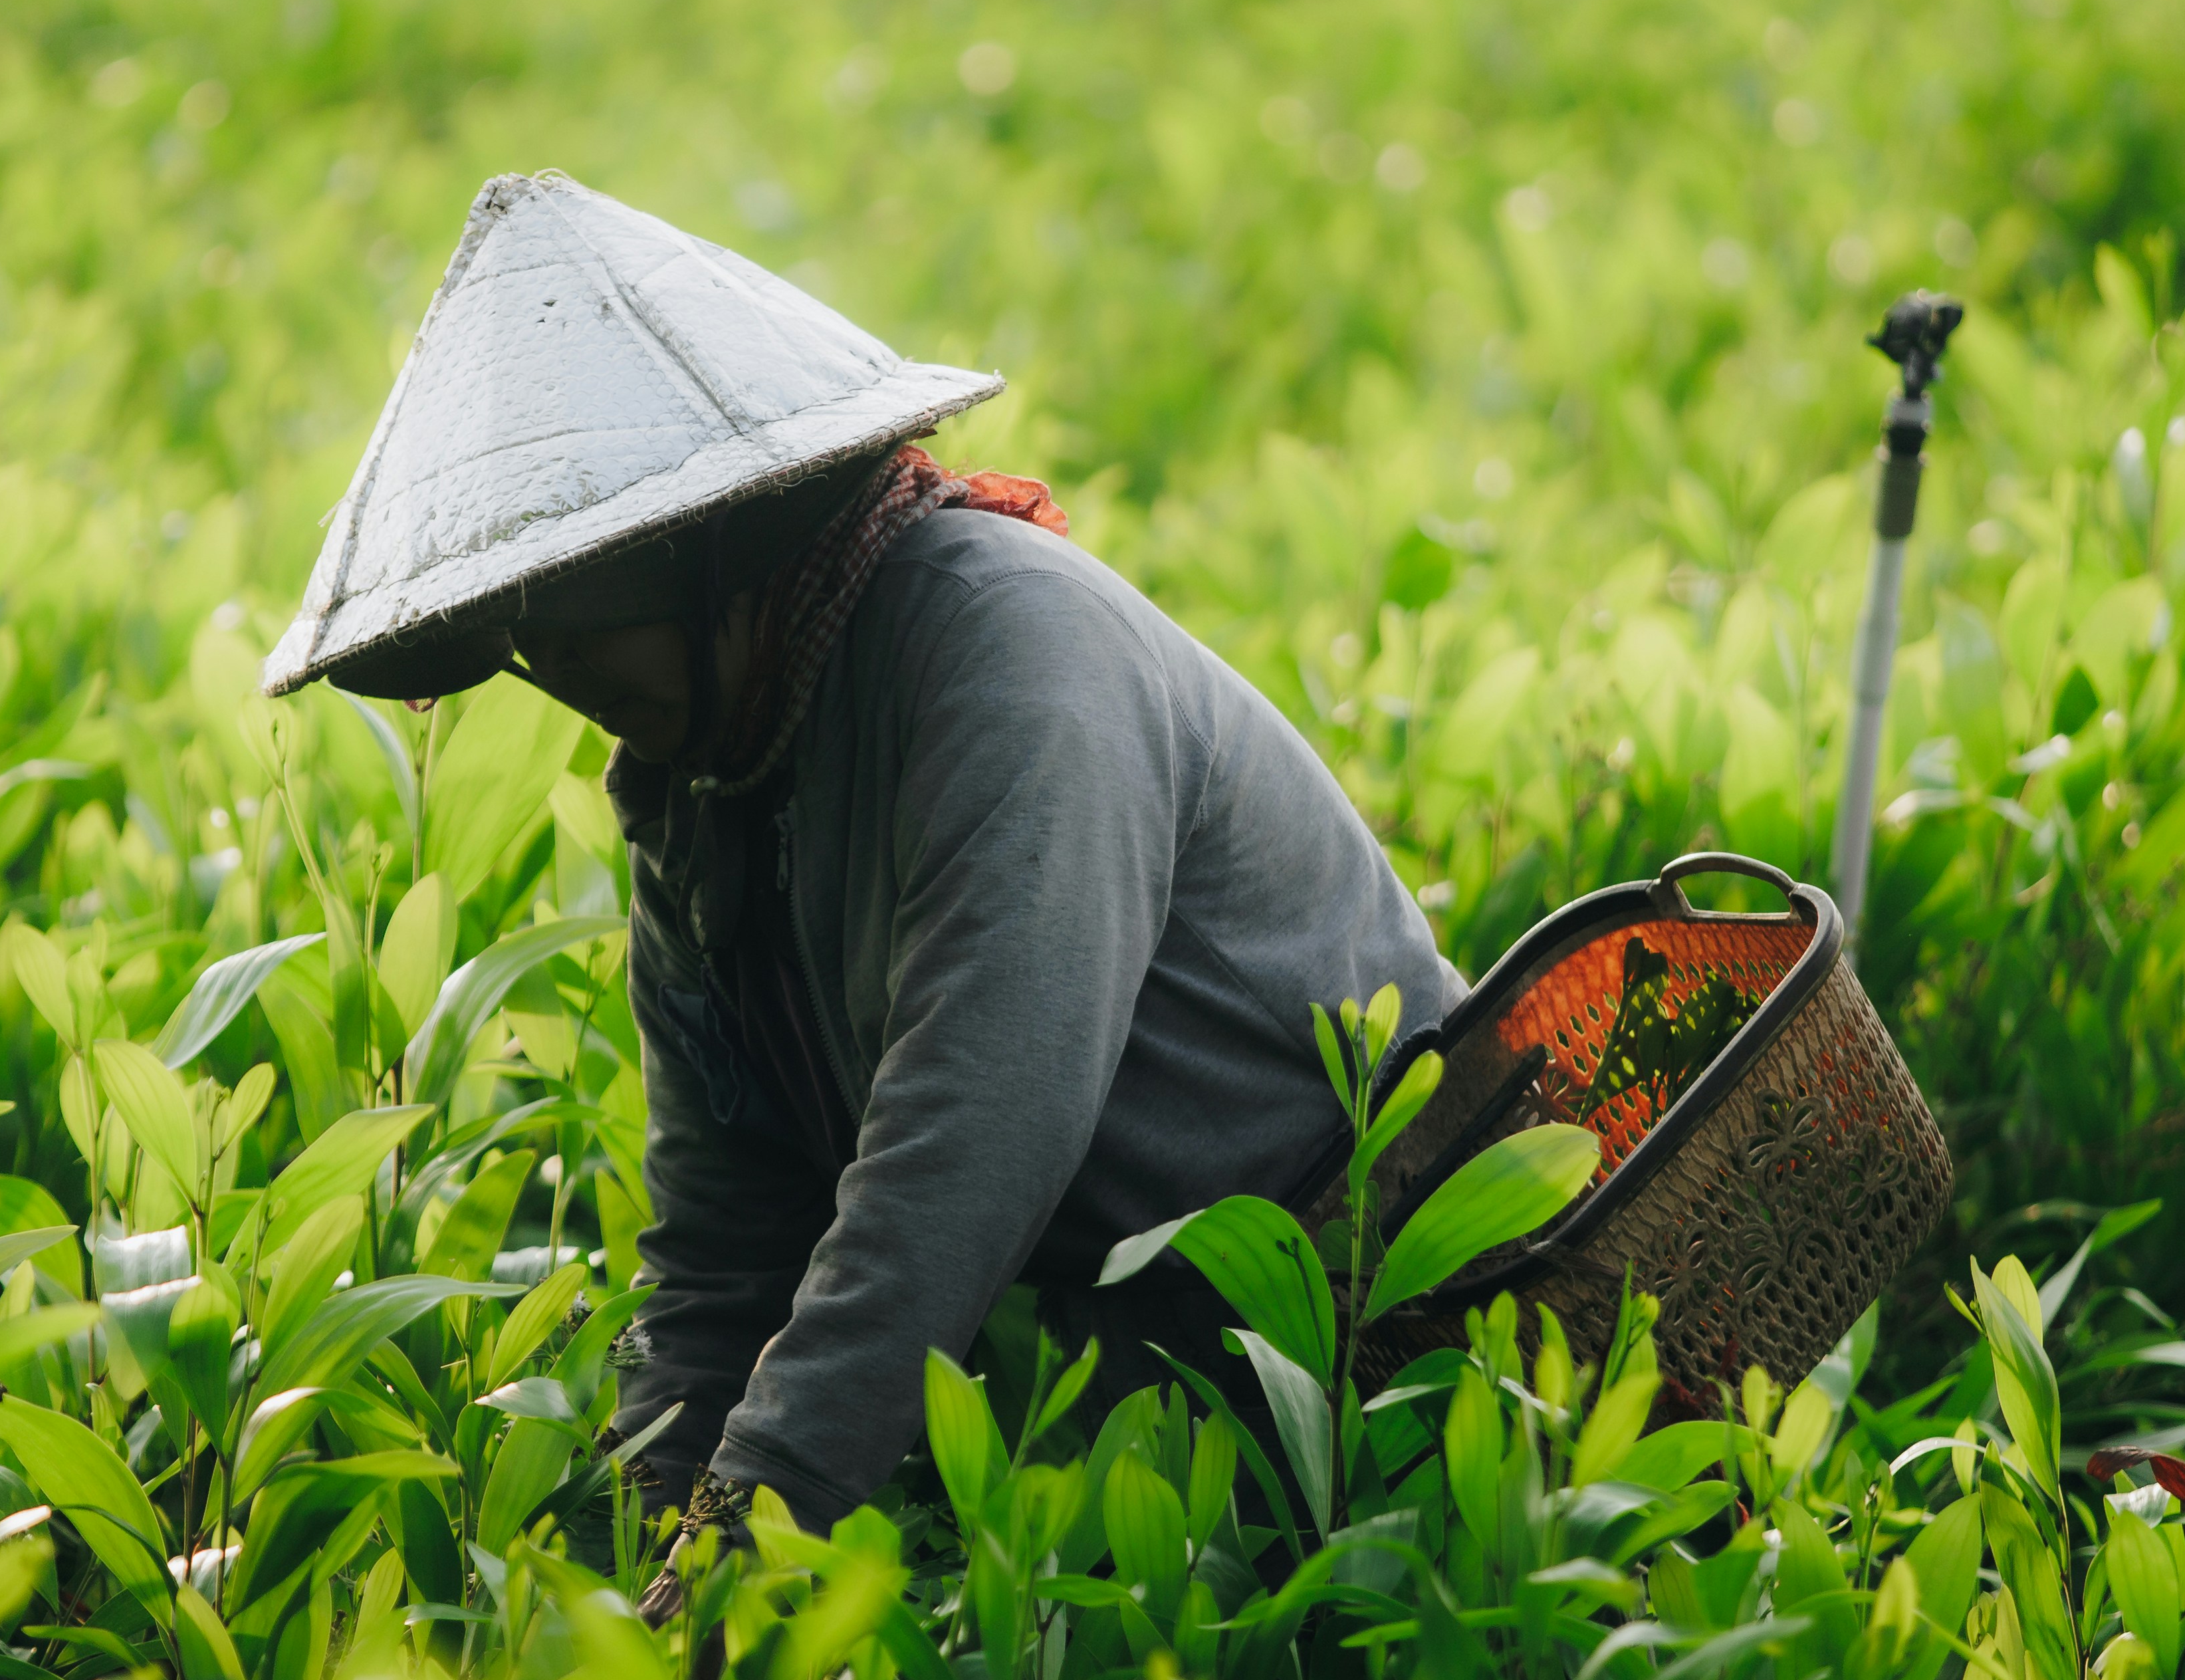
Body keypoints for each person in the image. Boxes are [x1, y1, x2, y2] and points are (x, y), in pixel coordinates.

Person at [261, 172, 1460, 1582]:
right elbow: (721, 1251)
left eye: (589, 634)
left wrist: (744, 1546)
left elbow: (961, 1162)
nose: (572, 688)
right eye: (536, 651)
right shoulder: (705, 791)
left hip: (1391, 1378)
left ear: (723, 555)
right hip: (1140, 1454)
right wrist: (640, 1565)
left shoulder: (1014, 660)